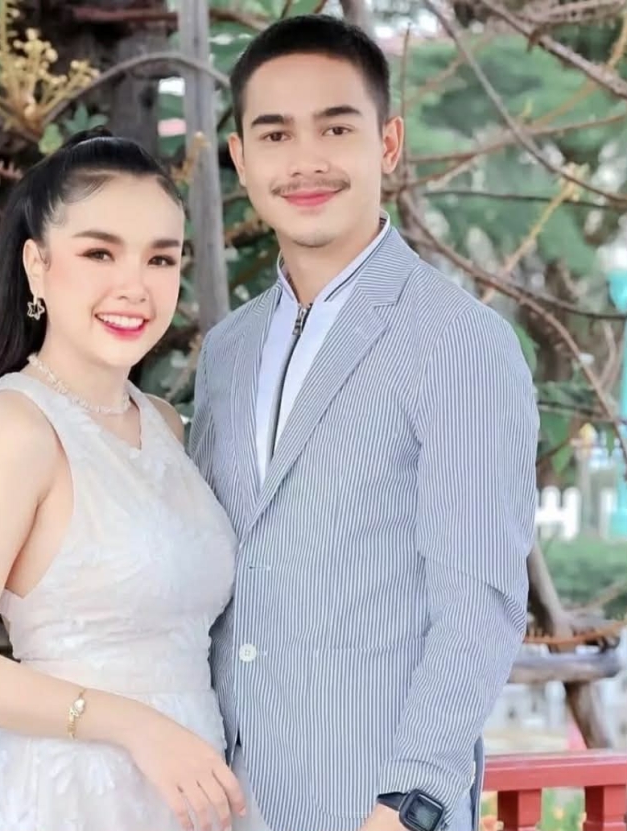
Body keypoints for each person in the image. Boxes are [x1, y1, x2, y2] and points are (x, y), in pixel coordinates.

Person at [190, 14, 539, 831]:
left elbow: (479, 602)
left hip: (372, 805)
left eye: (336, 128)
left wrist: (409, 803)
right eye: (275, 134)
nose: (305, 160)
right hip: (224, 800)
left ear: (387, 144)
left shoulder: (460, 341)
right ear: (241, 157)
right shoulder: (227, 350)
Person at [0, 129, 246, 831]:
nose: (135, 286)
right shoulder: (20, 428)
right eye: (99, 253)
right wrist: (135, 726)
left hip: (186, 797)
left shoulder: (163, 423)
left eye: (160, 258)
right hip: (69, 797)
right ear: (37, 265)